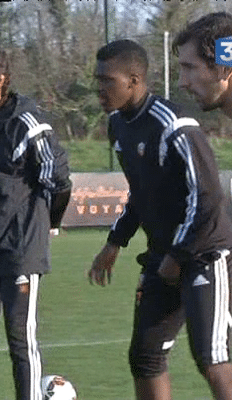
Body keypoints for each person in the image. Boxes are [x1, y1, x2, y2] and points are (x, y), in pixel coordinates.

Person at [89, 39, 232, 400]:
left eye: (108, 80)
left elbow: (207, 197)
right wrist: (115, 242)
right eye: (97, 79)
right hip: (163, 256)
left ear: (134, 80)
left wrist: (179, 255)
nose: (99, 88)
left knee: (212, 359)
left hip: (204, 254)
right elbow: (141, 191)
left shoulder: (176, 125)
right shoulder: (118, 126)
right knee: (145, 356)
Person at [0, 41, 72, 400]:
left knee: (21, 342)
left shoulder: (28, 123)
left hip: (19, 249)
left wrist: (49, 223)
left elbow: (60, 179)